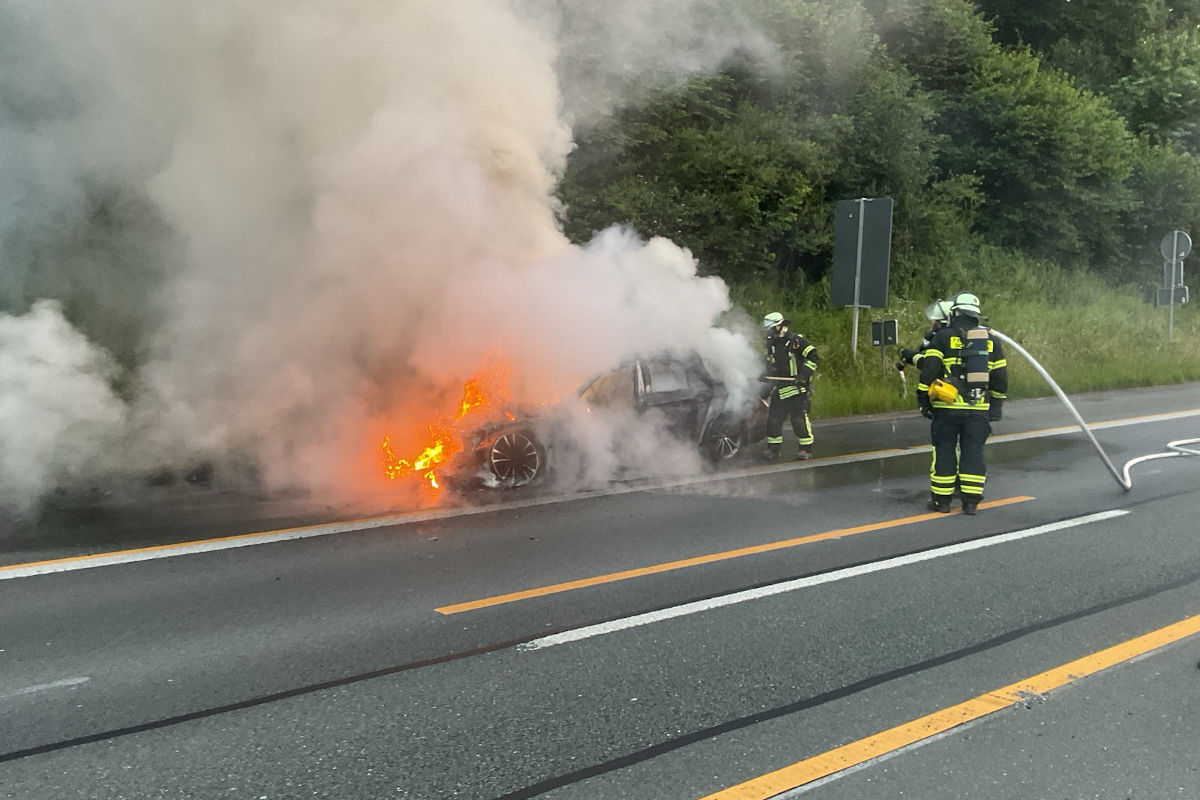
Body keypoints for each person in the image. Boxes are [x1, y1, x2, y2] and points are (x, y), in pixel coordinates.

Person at [915, 292, 1008, 515]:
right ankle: (970, 502)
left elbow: (929, 370)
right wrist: (996, 406)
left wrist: (922, 399)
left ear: (954, 313)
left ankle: (942, 501)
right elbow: (1000, 377)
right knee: (973, 452)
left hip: (946, 408)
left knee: (944, 451)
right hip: (977, 410)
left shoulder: (943, 336)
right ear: (977, 315)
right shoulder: (990, 340)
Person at [761, 311, 820, 460]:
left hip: (796, 389)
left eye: (771, 329)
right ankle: (773, 450)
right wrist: (763, 376)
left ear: (780, 327)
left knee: (798, 421)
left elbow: (814, 356)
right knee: (773, 420)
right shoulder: (772, 344)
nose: (769, 332)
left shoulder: (796, 341)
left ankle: (805, 450)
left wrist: (803, 376)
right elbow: (770, 365)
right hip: (780, 388)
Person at [896, 299, 952, 371]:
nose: (933, 323)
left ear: (945, 323)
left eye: (936, 321)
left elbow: (931, 365)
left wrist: (913, 356)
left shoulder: (943, 341)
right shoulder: (951, 337)